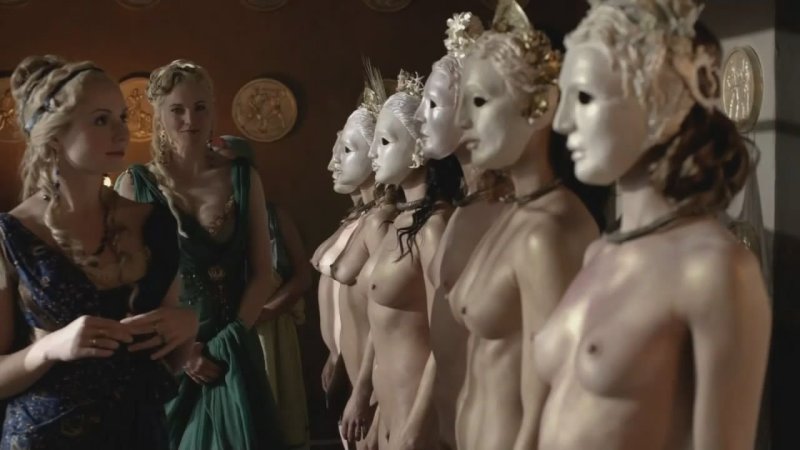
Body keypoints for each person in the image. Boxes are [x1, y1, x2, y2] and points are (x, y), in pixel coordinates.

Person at [0, 55, 197, 449]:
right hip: (46, 438)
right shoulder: (10, 235)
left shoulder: (154, 222)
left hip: (140, 435)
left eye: (122, 117)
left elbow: (171, 364)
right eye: (101, 120)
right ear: (54, 134)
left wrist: (188, 326)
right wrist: (49, 348)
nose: (122, 132)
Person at [115, 59, 285, 450]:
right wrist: (181, 352)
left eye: (200, 107)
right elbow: (129, 291)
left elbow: (264, 272)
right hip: (166, 355)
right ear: (159, 116)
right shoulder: (135, 185)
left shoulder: (243, 177)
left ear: (213, 110)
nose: (190, 119)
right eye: (177, 109)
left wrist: (230, 338)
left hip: (232, 352)